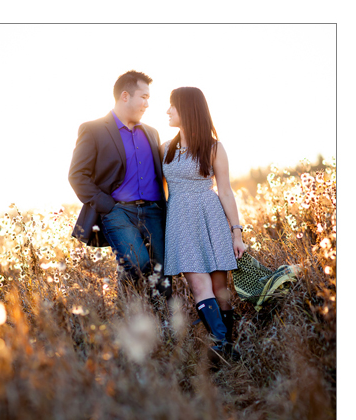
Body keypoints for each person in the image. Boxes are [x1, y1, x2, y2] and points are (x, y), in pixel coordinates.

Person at [68, 70, 170, 300]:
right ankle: (130, 315)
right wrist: (108, 206)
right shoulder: (93, 129)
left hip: (154, 212)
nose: (147, 104)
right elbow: (77, 175)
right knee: (139, 263)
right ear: (125, 96)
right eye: (143, 97)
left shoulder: (152, 133)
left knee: (163, 273)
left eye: (148, 98)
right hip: (118, 211)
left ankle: (161, 325)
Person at [160, 87, 245, 360]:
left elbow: (226, 192)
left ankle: (227, 346)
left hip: (211, 219)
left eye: (172, 106)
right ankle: (222, 347)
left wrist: (237, 233)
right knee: (199, 286)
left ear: (187, 109)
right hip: (180, 223)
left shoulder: (214, 147)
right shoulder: (164, 149)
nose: (168, 111)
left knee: (221, 289)